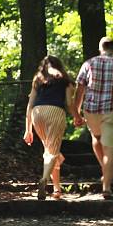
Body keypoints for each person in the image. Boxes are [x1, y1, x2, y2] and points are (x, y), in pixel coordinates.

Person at [72, 36, 113, 200]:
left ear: (101, 48)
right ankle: (107, 187)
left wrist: (76, 113)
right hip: (111, 111)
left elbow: (79, 89)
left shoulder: (89, 63)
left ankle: (105, 173)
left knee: (96, 137)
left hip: (91, 111)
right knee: (109, 149)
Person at [24, 55, 76, 200]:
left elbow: (30, 105)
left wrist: (28, 129)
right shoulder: (65, 80)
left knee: (51, 149)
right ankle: (44, 180)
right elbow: (69, 103)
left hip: (37, 114)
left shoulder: (38, 79)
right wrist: (77, 117)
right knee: (52, 151)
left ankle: (57, 189)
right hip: (55, 112)